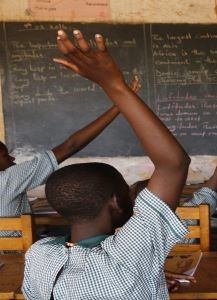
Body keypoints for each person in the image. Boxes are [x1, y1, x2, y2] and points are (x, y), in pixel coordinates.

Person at [22, 29, 191, 299]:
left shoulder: (40, 255)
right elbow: (173, 164)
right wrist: (114, 85)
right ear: (115, 201)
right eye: (126, 191)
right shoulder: (130, 252)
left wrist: (149, 275)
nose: (131, 197)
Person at [0, 76, 139, 238]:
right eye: (4, 155)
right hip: (16, 255)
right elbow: (72, 145)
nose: (12, 159)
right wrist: (119, 106)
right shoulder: (8, 179)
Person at [129, 111, 217, 292]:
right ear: (175, 195)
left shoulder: (129, 224)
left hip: (147, 282)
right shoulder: (192, 208)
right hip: (191, 275)